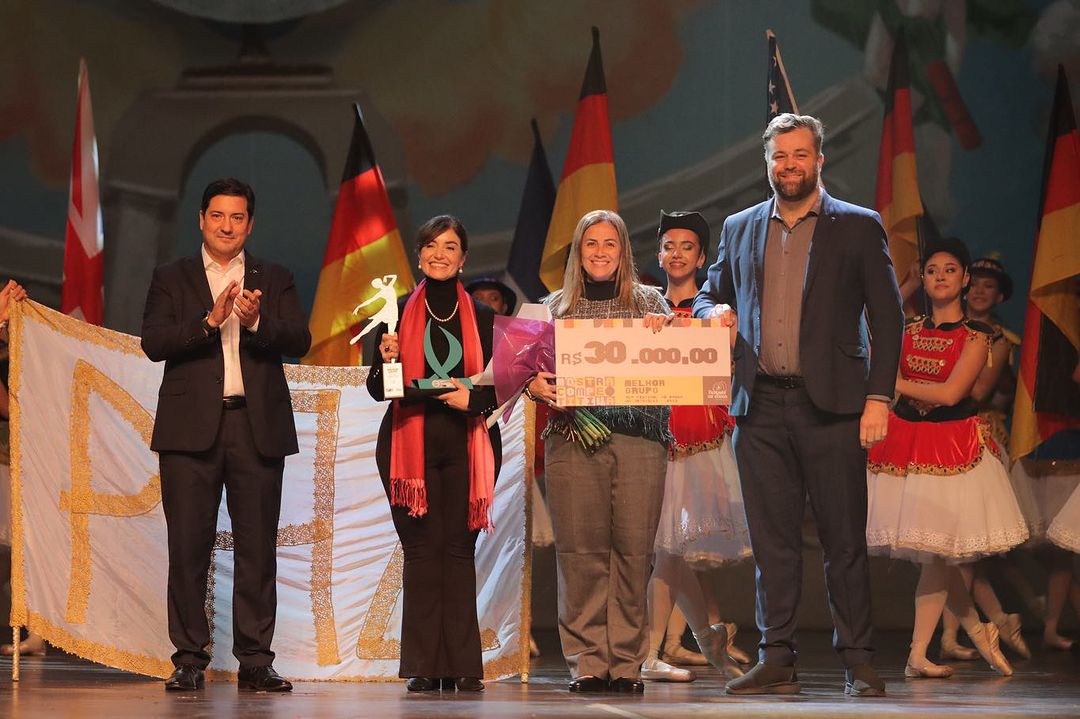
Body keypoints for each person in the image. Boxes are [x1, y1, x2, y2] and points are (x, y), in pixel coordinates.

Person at [693, 113, 904, 697]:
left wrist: (879, 398)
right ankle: (777, 657)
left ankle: (858, 659)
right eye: (779, 156)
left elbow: (889, 319)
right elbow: (710, 293)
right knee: (772, 543)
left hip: (834, 409)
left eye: (799, 155)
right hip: (758, 409)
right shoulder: (739, 227)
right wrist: (711, 313)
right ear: (768, 163)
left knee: (843, 542)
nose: (789, 165)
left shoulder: (858, 227)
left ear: (819, 160)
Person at [141, 178, 310, 692]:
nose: (226, 226)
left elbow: (299, 339)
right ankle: (189, 658)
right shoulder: (173, 277)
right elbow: (153, 342)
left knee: (258, 547)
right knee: (188, 547)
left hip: (255, 428)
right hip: (189, 432)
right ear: (200, 219)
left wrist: (257, 323)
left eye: (237, 217)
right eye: (217, 215)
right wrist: (208, 321)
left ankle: (255, 660)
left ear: (250, 224)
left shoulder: (274, 277)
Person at [866, 237, 1029, 678]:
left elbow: (951, 393)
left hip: (952, 448)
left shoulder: (979, 337)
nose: (940, 277)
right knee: (931, 555)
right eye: (932, 270)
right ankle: (963, 637)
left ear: (965, 280)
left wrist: (895, 383)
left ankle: (933, 648)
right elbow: (866, 326)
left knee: (935, 554)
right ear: (923, 278)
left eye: (950, 270)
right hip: (905, 446)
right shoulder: (907, 329)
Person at [526, 210, 671, 694]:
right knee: (581, 553)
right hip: (573, 442)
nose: (601, 252)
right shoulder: (552, 308)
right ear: (578, 251)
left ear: (624, 250)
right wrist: (537, 385)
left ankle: (627, 662)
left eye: (610, 243)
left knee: (633, 551)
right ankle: (588, 661)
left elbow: (682, 363)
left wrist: (664, 331)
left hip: (640, 442)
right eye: (591, 244)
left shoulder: (652, 303)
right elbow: (525, 376)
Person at [366, 215, 501, 693]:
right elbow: (379, 391)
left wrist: (475, 400)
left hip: (471, 443)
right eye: (430, 245)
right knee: (422, 552)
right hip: (408, 445)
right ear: (418, 255)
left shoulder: (485, 317)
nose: (439, 254)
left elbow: (503, 385)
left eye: (450, 246)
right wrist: (387, 363)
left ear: (463, 258)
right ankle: (424, 665)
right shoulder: (392, 312)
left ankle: (464, 666)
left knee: (459, 553)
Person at [641, 211, 749, 683]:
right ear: (659, 254)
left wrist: (723, 327)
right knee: (668, 550)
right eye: (669, 245)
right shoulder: (644, 310)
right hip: (656, 438)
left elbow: (727, 369)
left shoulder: (718, 311)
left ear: (703, 257)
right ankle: (707, 638)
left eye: (688, 246)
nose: (678, 253)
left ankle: (651, 654)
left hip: (701, 438)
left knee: (669, 550)